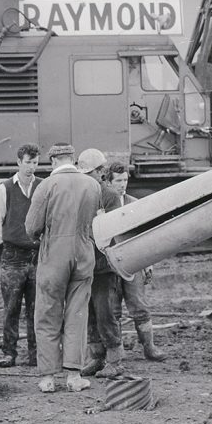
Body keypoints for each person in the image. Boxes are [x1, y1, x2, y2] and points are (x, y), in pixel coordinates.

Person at [25, 143, 102, 393]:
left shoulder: (46, 185)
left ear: (54, 161)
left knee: (47, 312)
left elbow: (32, 227)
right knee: (78, 314)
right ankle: (74, 376)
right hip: (84, 253)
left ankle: (48, 377)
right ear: (72, 159)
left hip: (54, 255)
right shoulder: (93, 185)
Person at [106, 162, 165, 362]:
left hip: (134, 264)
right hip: (110, 265)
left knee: (139, 305)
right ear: (109, 181)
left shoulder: (134, 204)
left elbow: (144, 237)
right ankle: (117, 351)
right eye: (118, 181)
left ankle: (149, 347)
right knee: (112, 310)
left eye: (125, 180)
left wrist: (148, 263)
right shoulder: (102, 205)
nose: (122, 184)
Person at [0, 143, 42, 367]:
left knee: (36, 308)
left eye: (35, 162)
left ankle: (35, 354)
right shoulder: (5, 189)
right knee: (11, 307)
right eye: (28, 162)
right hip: (13, 258)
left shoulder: (42, 187)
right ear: (19, 162)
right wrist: (13, 241)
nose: (31, 167)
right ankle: (9, 353)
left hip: (37, 257)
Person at [78, 149, 126, 378]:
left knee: (105, 312)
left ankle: (115, 360)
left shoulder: (109, 196)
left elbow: (112, 230)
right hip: (84, 264)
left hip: (103, 266)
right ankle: (96, 357)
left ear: (100, 172)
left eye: (93, 172)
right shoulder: (81, 194)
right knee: (88, 312)